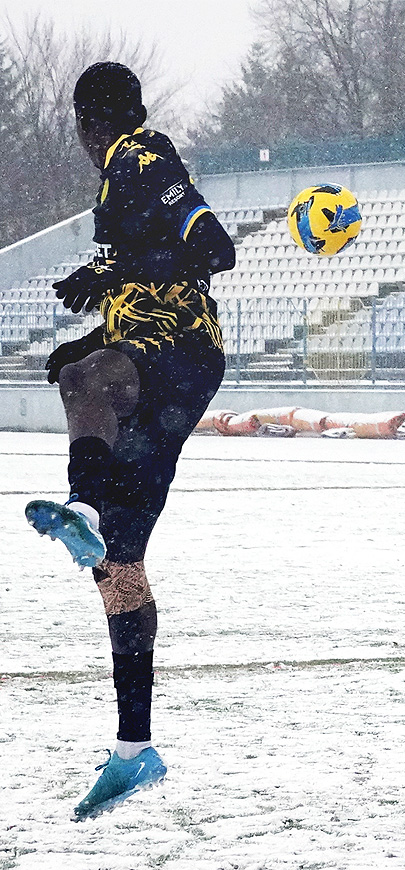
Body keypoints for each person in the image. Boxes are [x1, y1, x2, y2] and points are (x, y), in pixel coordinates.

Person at [24, 62, 235, 820]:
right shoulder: (120, 179)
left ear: (89, 123)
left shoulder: (144, 158)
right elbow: (139, 292)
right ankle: (133, 749)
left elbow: (214, 249)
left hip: (182, 352)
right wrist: (89, 330)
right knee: (119, 565)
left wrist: (106, 279)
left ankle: (80, 504)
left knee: (87, 381)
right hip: (154, 361)